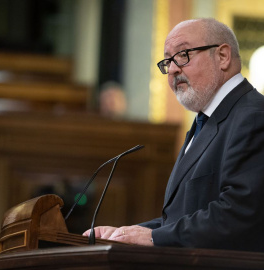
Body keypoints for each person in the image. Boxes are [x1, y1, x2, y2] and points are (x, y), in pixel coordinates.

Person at [83, 18, 264, 252]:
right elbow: (184, 218)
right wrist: (124, 234)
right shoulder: (206, 121)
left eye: (183, 55)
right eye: (168, 61)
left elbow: (240, 214)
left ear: (222, 56)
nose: (174, 69)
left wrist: (154, 238)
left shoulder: (254, 117)